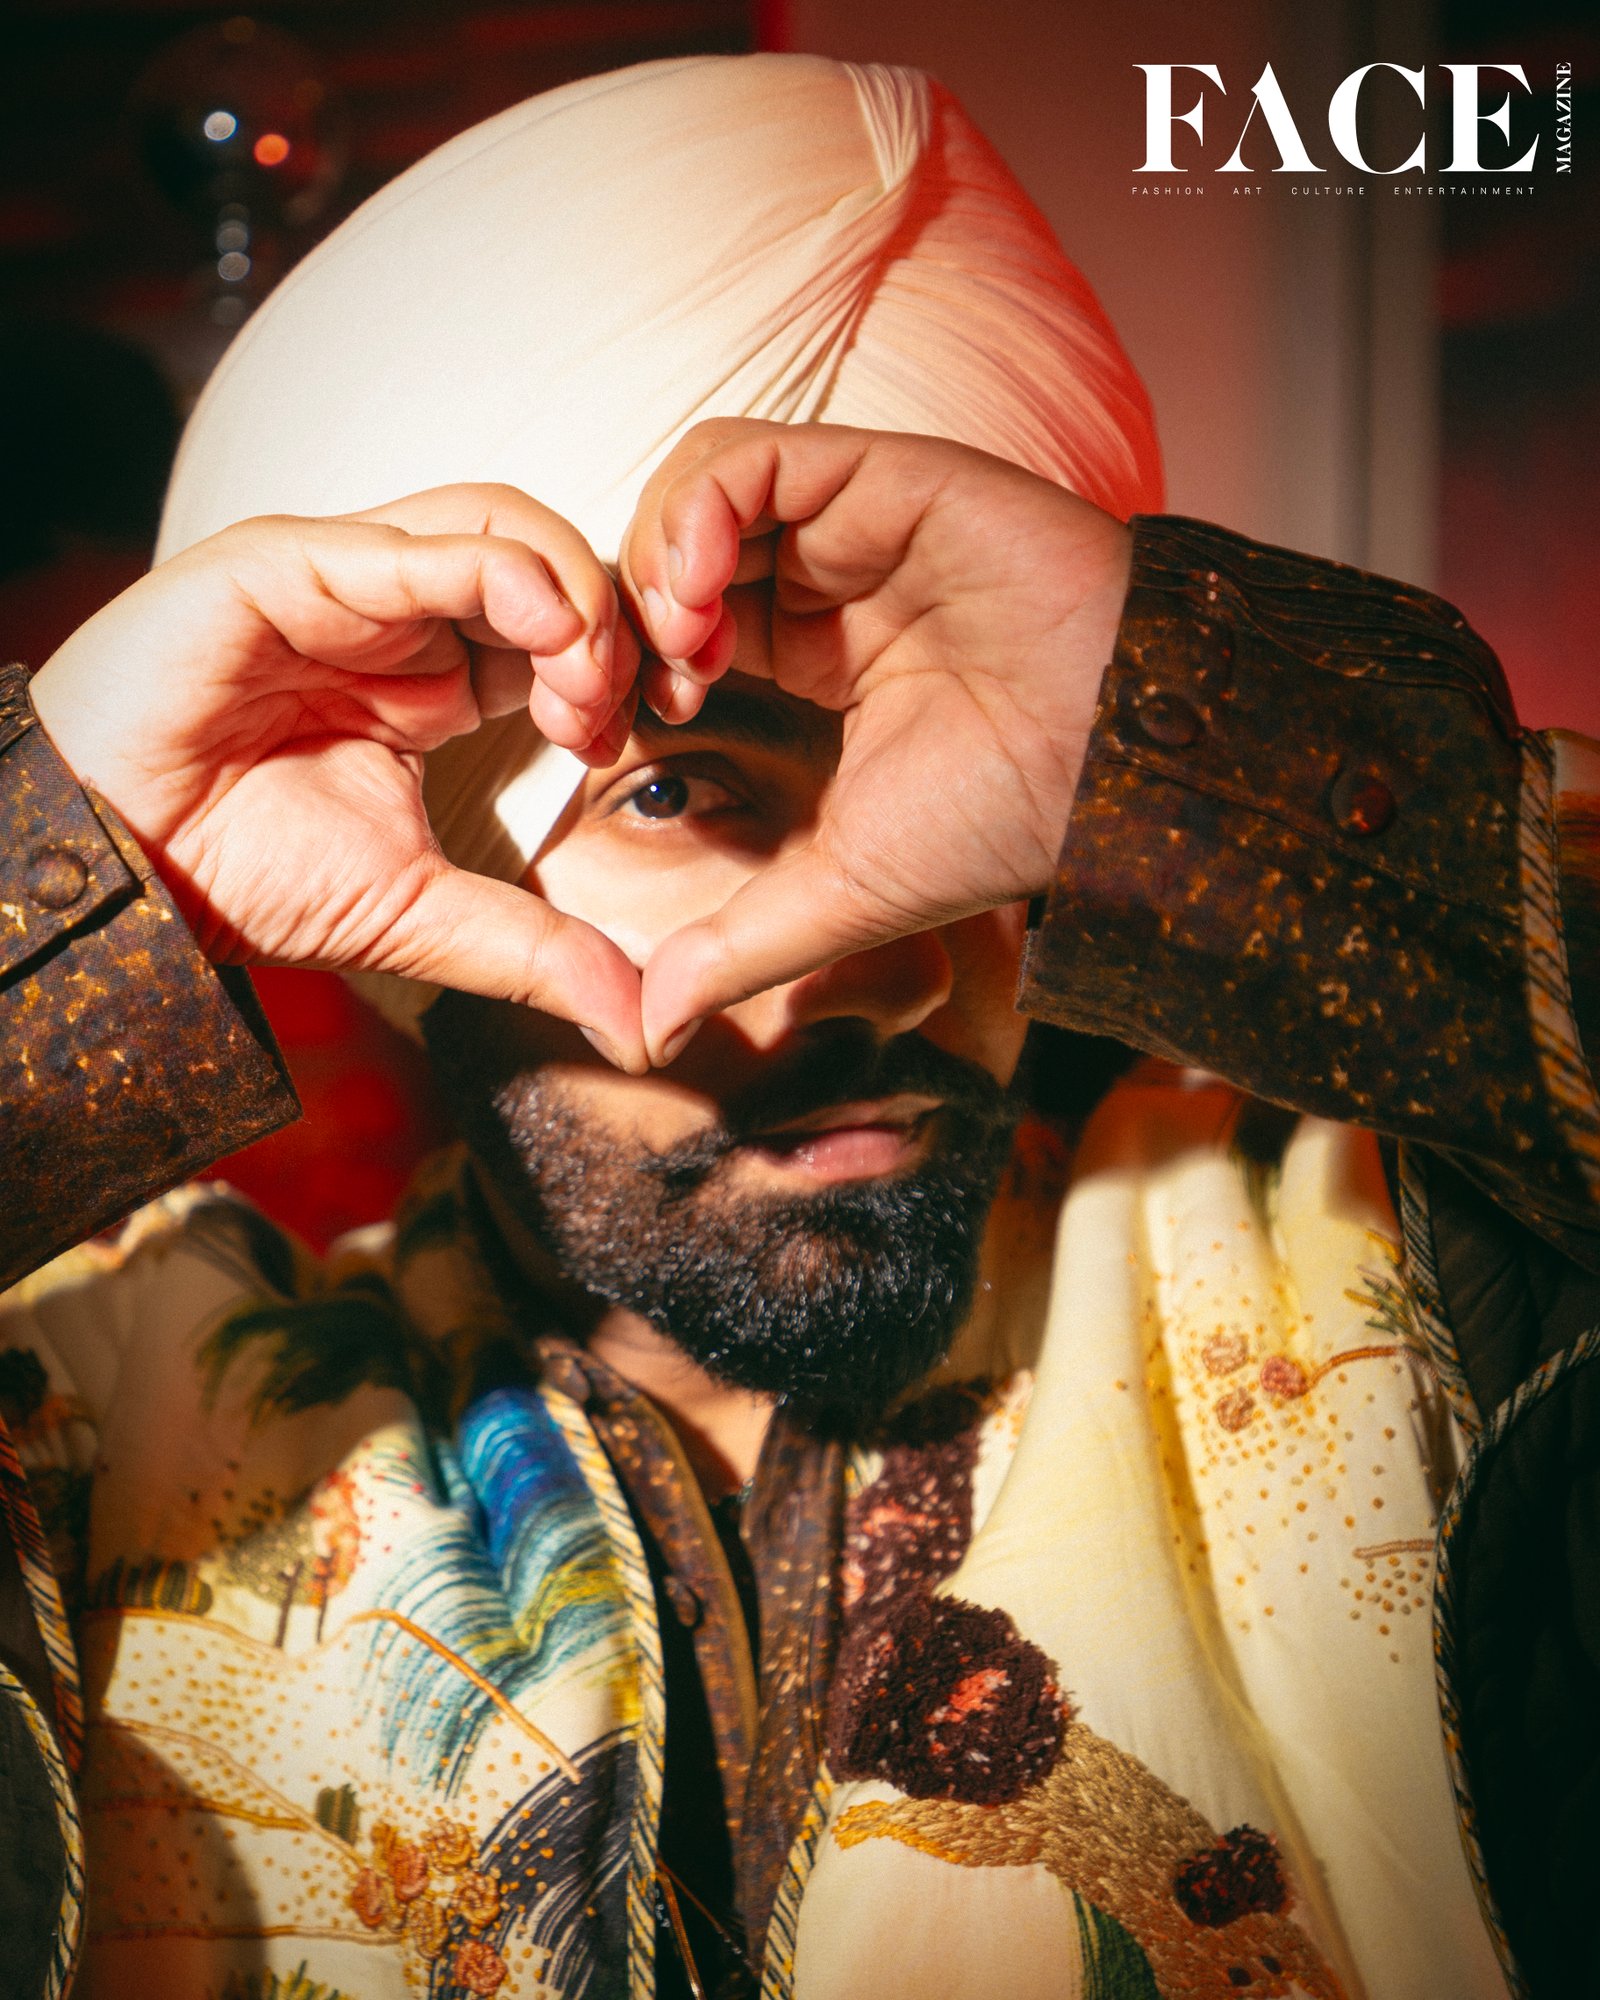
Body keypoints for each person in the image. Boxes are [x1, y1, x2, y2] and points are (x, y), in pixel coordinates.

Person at [0, 52, 1593, 2000]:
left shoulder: (1390, 1268)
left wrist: (1197, 730)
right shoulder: (114, 1413)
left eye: (978, 811)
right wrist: (56, 869)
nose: (893, 966)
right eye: (679, 791)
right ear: (406, 887)